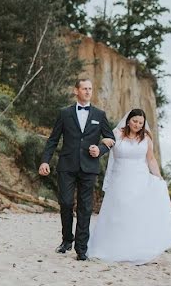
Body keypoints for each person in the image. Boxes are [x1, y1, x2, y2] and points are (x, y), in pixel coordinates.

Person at [88, 108, 171, 265]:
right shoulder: (116, 134)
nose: (137, 125)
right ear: (128, 120)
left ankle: (134, 249)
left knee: (134, 215)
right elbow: (107, 143)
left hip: (139, 180)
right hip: (119, 179)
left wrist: (158, 177)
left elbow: (150, 159)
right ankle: (110, 248)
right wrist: (103, 142)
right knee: (117, 213)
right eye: (135, 121)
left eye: (141, 122)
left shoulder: (146, 139)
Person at [39, 78, 115, 259]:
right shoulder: (64, 113)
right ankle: (67, 239)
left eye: (90, 88)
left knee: (85, 207)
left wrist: (100, 149)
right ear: (76, 91)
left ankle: (81, 249)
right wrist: (45, 161)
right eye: (84, 88)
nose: (88, 91)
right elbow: (53, 139)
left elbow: (110, 138)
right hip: (67, 165)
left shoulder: (99, 114)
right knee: (65, 203)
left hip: (89, 166)